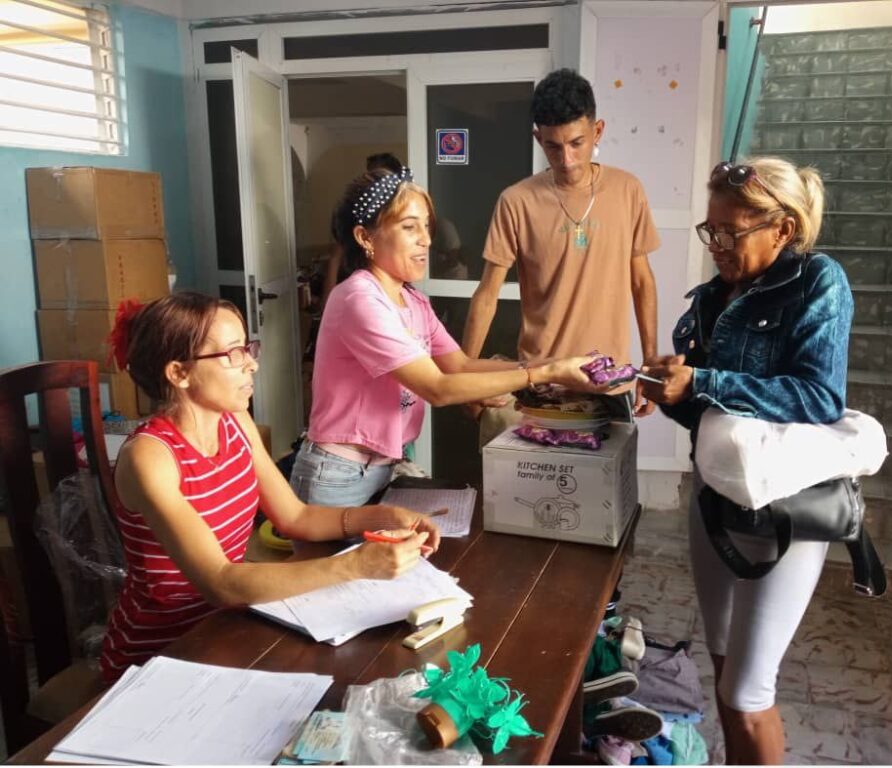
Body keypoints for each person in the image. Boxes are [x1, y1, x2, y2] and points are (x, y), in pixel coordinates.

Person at [99, 292, 442, 682]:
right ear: (179, 373)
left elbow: (296, 517)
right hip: (162, 652)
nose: (253, 364)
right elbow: (221, 583)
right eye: (233, 354)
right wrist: (355, 565)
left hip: (232, 628)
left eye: (247, 348)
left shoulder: (235, 421)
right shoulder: (151, 457)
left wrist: (384, 514)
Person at [640, 157, 851, 765]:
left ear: (782, 229)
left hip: (785, 516)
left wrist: (704, 380)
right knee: (726, 668)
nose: (716, 246)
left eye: (729, 232)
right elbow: (704, 415)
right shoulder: (710, 299)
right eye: (711, 231)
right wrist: (669, 390)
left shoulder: (817, 282)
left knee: (750, 690)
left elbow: (818, 398)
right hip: (715, 505)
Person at [290, 166, 608, 509]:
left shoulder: (413, 300)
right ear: (365, 238)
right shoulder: (360, 299)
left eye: (426, 226)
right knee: (342, 563)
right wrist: (542, 375)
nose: (426, 239)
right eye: (409, 227)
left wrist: (552, 364)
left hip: (382, 469)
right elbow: (438, 388)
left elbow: (460, 365)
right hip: (337, 475)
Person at [462, 67, 661, 431]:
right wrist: (463, 377)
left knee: (605, 485)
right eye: (553, 146)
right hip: (540, 382)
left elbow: (642, 282)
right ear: (538, 138)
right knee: (534, 487)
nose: (566, 159)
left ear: (597, 131)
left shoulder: (628, 190)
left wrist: (649, 364)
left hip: (609, 380)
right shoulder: (516, 201)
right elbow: (487, 295)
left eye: (576, 143)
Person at [321, 152, 406, 305]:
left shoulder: (402, 217)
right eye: (369, 176)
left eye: (379, 179)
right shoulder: (351, 216)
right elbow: (335, 257)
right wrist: (329, 303)